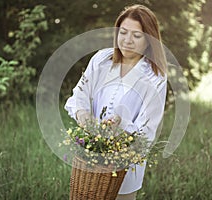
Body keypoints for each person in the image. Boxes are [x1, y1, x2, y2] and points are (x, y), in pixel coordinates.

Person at [65, 4, 167, 200]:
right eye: (123, 32)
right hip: (91, 158)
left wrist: (121, 128)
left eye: (136, 36)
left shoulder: (155, 77)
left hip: (125, 165)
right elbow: (80, 93)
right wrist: (83, 115)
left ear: (149, 40)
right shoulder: (101, 59)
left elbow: (148, 127)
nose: (127, 40)